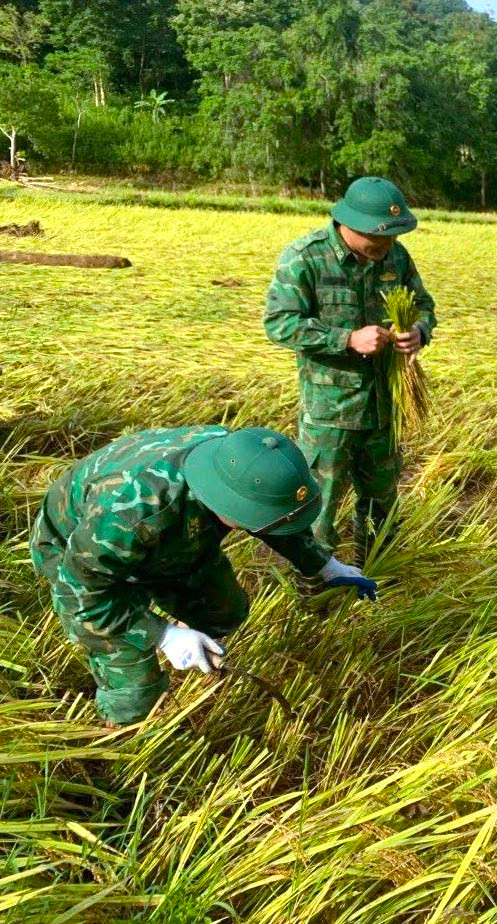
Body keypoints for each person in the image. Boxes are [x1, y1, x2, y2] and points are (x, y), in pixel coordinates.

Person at [30, 426, 378, 725]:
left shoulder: (238, 458)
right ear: (228, 505)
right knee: (135, 686)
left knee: (224, 610)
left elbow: (274, 516)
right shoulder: (129, 512)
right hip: (84, 563)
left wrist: (321, 564)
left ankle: (195, 657)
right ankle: (123, 737)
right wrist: (161, 635)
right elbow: (81, 595)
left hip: (174, 537)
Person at [264, 176, 436, 572]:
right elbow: (279, 324)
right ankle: (316, 590)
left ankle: (378, 580)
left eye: (393, 239)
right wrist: (346, 339)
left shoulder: (396, 258)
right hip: (331, 414)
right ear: (350, 225)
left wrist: (418, 332)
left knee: (383, 507)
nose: (386, 249)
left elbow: (424, 305)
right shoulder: (305, 257)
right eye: (379, 240)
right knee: (317, 511)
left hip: (383, 409)